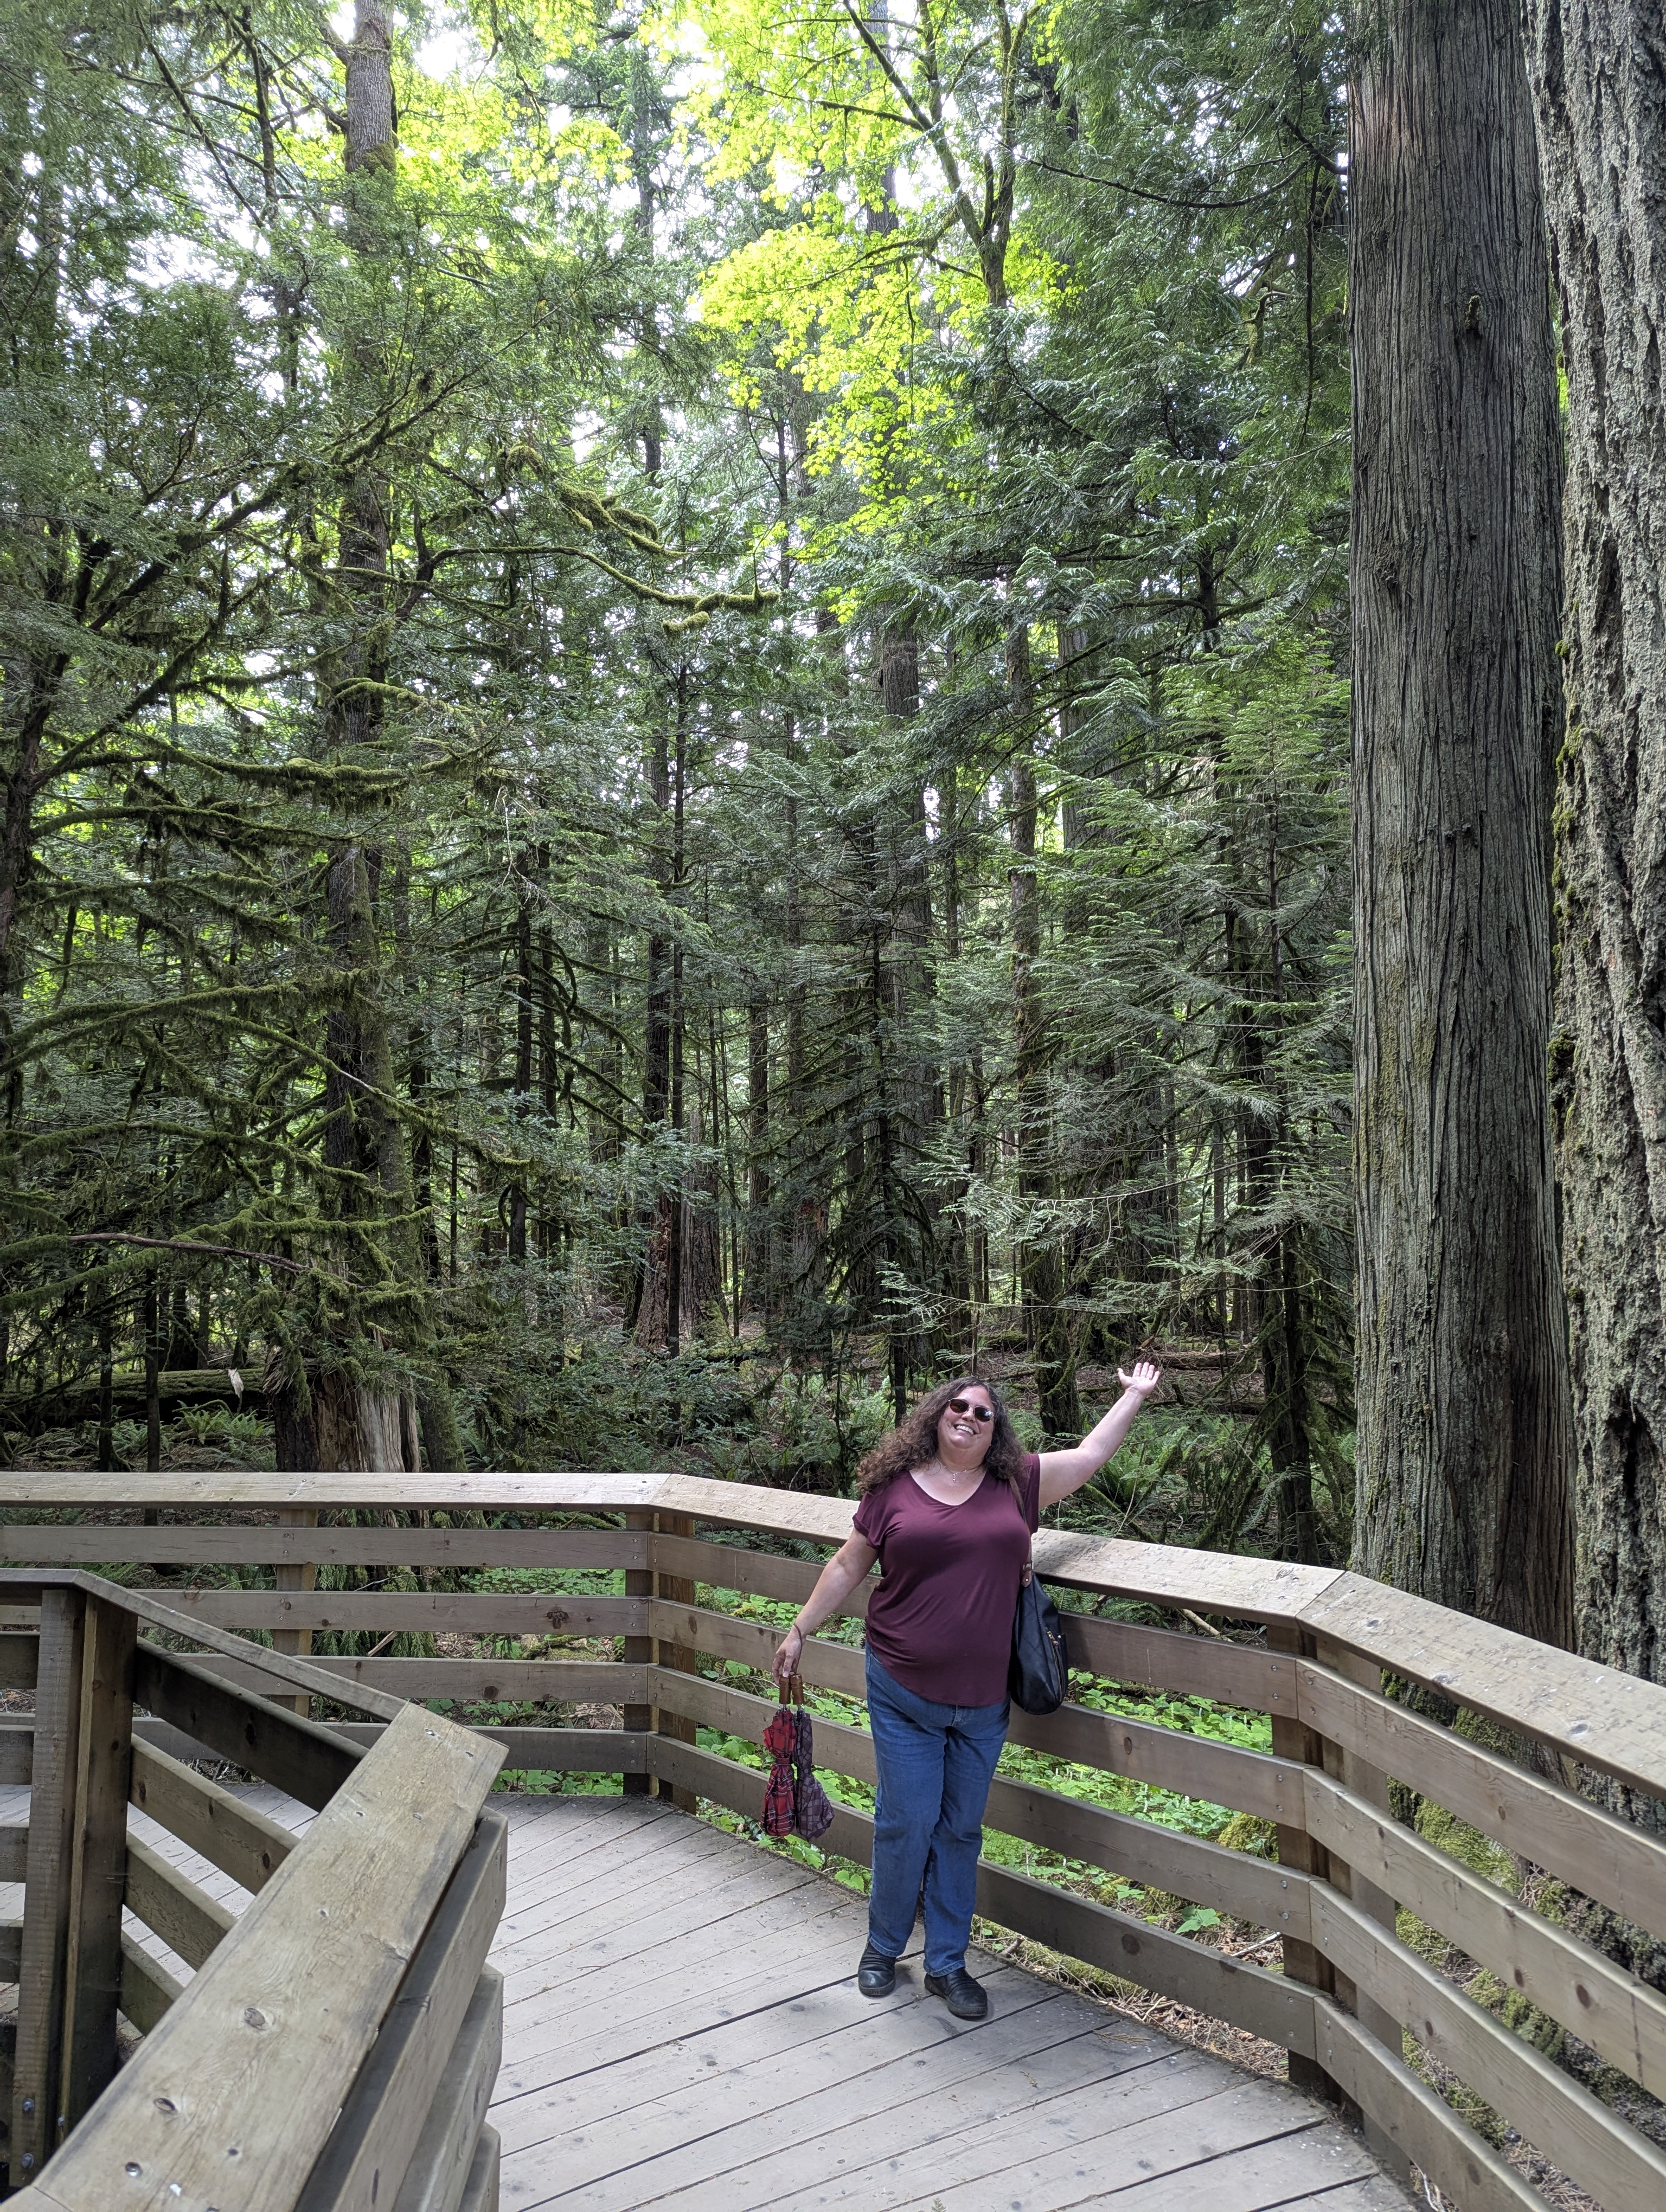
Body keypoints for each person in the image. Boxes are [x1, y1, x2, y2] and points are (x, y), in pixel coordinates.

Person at [772, 1365, 1163, 2021]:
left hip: (984, 1700)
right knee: (907, 1820)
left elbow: (1093, 1455)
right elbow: (848, 1564)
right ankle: (882, 1947)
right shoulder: (895, 1489)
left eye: (984, 1413)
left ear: (996, 1430)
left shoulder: (1017, 1483)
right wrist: (800, 1629)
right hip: (901, 1686)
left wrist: (1133, 1395)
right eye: (959, 1406)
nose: (970, 1417)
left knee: (959, 1831)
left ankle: (948, 1963)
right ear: (936, 1414)